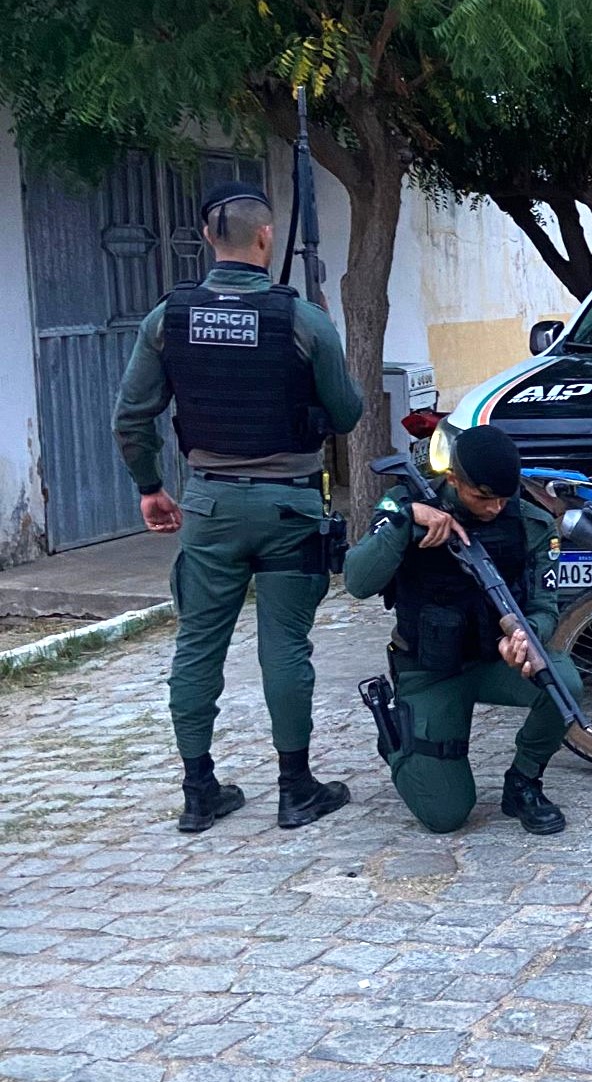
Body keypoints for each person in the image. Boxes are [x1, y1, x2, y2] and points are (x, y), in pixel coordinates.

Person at [113, 181, 363, 834]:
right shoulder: (303, 320)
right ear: (266, 237)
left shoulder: (167, 318)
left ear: (206, 238)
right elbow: (347, 414)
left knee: (197, 646)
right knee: (285, 647)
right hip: (290, 509)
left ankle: (199, 792)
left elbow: (130, 417)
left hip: (209, 506)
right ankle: (295, 789)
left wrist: (149, 486)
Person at [343, 425, 582, 835]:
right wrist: (404, 519)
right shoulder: (404, 504)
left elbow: (545, 606)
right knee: (446, 815)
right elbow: (357, 581)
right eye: (482, 497)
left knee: (563, 686)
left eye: (503, 497)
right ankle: (398, 739)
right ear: (453, 479)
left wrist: (524, 637)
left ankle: (523, 782)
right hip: (429, 669)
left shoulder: (530, 521)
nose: (494, 508)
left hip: (493, 661)